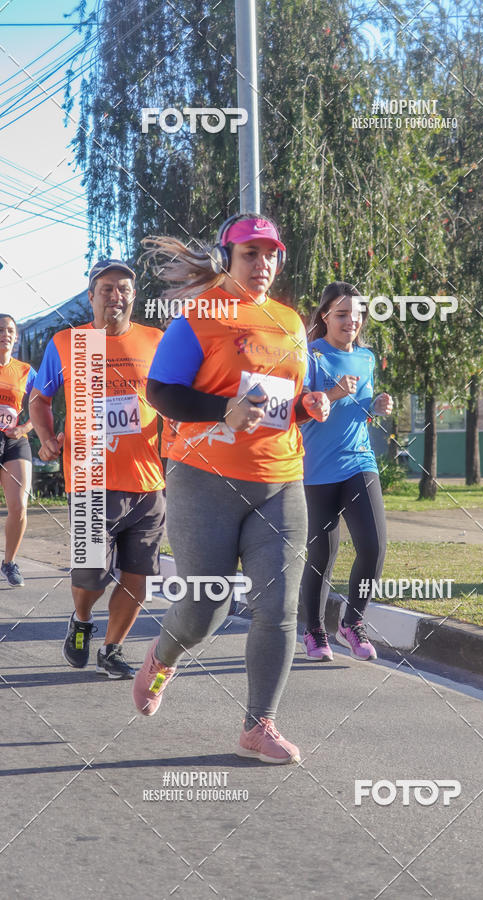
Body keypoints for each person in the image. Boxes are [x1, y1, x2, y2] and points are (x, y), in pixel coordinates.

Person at [133, 213, 329, 764]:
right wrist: (223, 409)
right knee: (205, 607)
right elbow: (161, 393)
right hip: (204, 479)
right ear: (228, 258)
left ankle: (257, 725)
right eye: (250, 254)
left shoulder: (291, 322)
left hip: (281, 479)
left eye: (270, 254)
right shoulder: (197, 319)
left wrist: (308, 404)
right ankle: (163, 656)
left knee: (279, 607)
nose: (262, 264)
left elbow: (287, 397)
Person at [29, 260, 166, 679]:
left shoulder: (155, 341)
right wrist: (47, 437)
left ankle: (112, 649)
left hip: (146, 481)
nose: (115, 296)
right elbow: (39, 400)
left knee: (138, 574)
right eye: (106, 288)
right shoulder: (69, 343)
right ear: (91, 296)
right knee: (91, 578)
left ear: (134, 295)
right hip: (89, 476)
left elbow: (172, 400)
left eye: (123, 288)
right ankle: (83, 620)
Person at [300, 282, 393, 661]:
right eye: (341, 314)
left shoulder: (367, 358)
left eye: (356, 315)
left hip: (359, 460)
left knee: (373, 545)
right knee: (322, 553)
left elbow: (363, 409)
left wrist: (378, 404)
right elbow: (302, 409)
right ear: (324, 317)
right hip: (316, 468)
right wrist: (334, 394)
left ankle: (351, 622)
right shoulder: (310, 355)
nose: (350, 321)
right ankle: (314, 630)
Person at [0, 314, 37, 586]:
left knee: (19, 506)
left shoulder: (26, 371)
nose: (6, 334)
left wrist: (23, 429)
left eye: (10, 330)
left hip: (14, 441)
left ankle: (9, 562)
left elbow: (41, 408)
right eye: (1, 330)